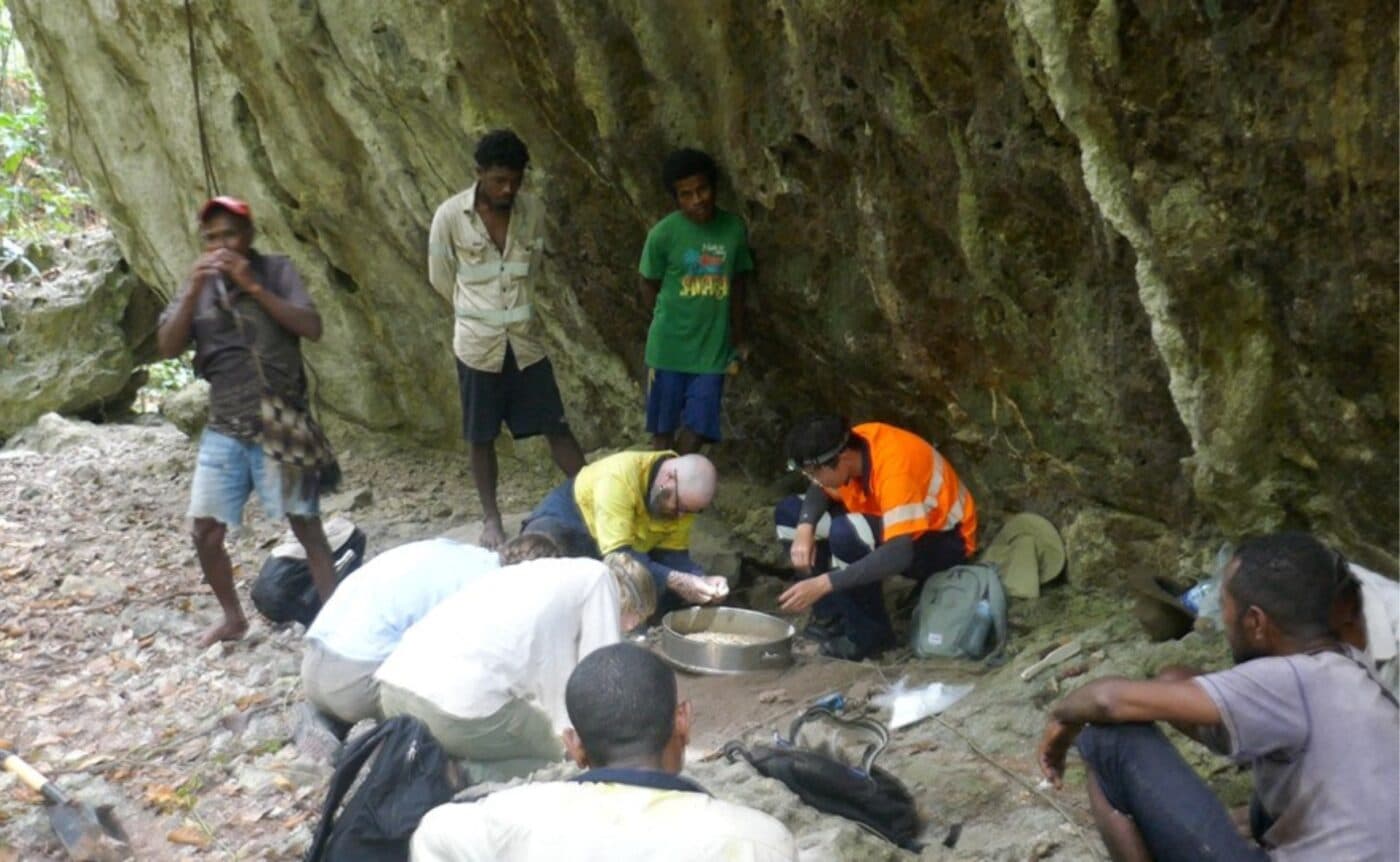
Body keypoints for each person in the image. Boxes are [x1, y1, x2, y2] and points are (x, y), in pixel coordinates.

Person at [1037, 533, 1399, 862]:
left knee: (1107, 739)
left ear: (1256, 623)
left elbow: (1107, 700)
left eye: (1224, 603)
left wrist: (1062, 719)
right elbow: (1177, 683)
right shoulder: (1352, 673)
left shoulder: (1288, 680)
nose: (1221, 619)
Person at [410, 643, 798, 861]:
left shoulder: (502, 819)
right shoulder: (758, 842)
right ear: (682, 721)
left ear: (574, 745)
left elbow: (430, 836)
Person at [156, 196, 335, 648]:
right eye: (212, 238)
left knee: (306, 524)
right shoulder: (195, 287)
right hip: (226, 424)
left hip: (282, 418)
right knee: (205, 531)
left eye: (230, 235)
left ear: (249, 235)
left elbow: (311, 326)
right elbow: (167, 346)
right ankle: (233, 618)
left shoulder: (276, 270)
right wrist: (194, 291)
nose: (221, 245)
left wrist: (253, 288)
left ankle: (338, 622)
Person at [428, 129, 585, 550]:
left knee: (557, 426)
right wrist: (479, 315)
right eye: (498, 180)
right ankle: (491, 519)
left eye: (515, 180)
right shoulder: (449, 217)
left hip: (526, 343)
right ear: (478, 174)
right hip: (477, 346)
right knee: (481, 435)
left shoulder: (531, 211)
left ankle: (594, 502)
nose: (507, 189)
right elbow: (441, 278)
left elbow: (532, 271)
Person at [375, 553, 656, 783]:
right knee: (565, 754)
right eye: (636, 617)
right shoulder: (599, 582)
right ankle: (458, 775)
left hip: (394, 690)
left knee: (532, 724)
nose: (631, 627)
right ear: (627, 601)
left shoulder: (551, 575)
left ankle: (436, 756)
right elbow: (598, 676)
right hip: (448, 710)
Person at [300, 532, 560, 727]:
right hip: (354, 684)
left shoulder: (460, 554)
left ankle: (326, 720)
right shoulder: (486, 590)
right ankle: (376, 735)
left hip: (312, 664)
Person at [774, 415, 977, 660]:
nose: (814, 482)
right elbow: (819, 491)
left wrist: (825, 583)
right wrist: (805, 528)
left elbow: (899, 554)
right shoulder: (852, 445)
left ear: (842, 461)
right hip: (880, 515)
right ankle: (833, 618)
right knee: (790, 513)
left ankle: (870, 637)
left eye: (815, 474)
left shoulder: (894, 468)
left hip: (941, 539)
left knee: (846, 533)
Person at [638, 148, 755, 455]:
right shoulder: (663, 234)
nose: (697, 199)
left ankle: (677, 486)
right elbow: (648, 283)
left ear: (713, 187)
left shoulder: (733, 230)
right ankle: (661, 493)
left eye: (702, 189)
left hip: (712, 352)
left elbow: (739, 282)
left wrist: (739, 336)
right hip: (667, 351)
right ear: (676, 198)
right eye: (686, 194)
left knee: (699, 427)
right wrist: (666, 320)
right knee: (662, 431)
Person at [521, 450, 730, 609]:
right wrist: (678, 579)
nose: (680, 517)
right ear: (667, 479)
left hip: (624, 547)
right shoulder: (618, 477)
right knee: (545, 564)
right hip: (573, 526)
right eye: (679, 507)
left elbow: (672, 557)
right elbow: (620, 559)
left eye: (689, 512)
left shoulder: (682, 501)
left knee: (669, 592)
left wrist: (701, 579)